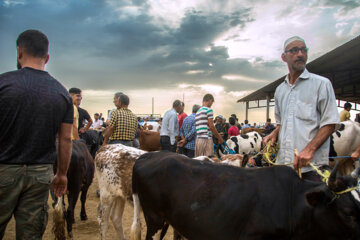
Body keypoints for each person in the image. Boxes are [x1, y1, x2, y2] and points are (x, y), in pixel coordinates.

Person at [0, 29, 72, 239]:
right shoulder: (61, 92)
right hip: (41, 173)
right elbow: (66, 139)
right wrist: (62, 173)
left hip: (4, 168)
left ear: (19, 52)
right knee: (31, 233)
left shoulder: (3, 84)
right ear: (47, 57)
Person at [263, 36, 340, 181]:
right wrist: (274, 133)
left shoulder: (321, 84)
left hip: (312, 167)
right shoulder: (280, 90)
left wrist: (309, 150)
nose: (300, 54)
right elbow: (283, 123)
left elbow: (330, 123)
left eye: (303, 50)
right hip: (284, 165)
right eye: (294, 50)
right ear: (284, 57)